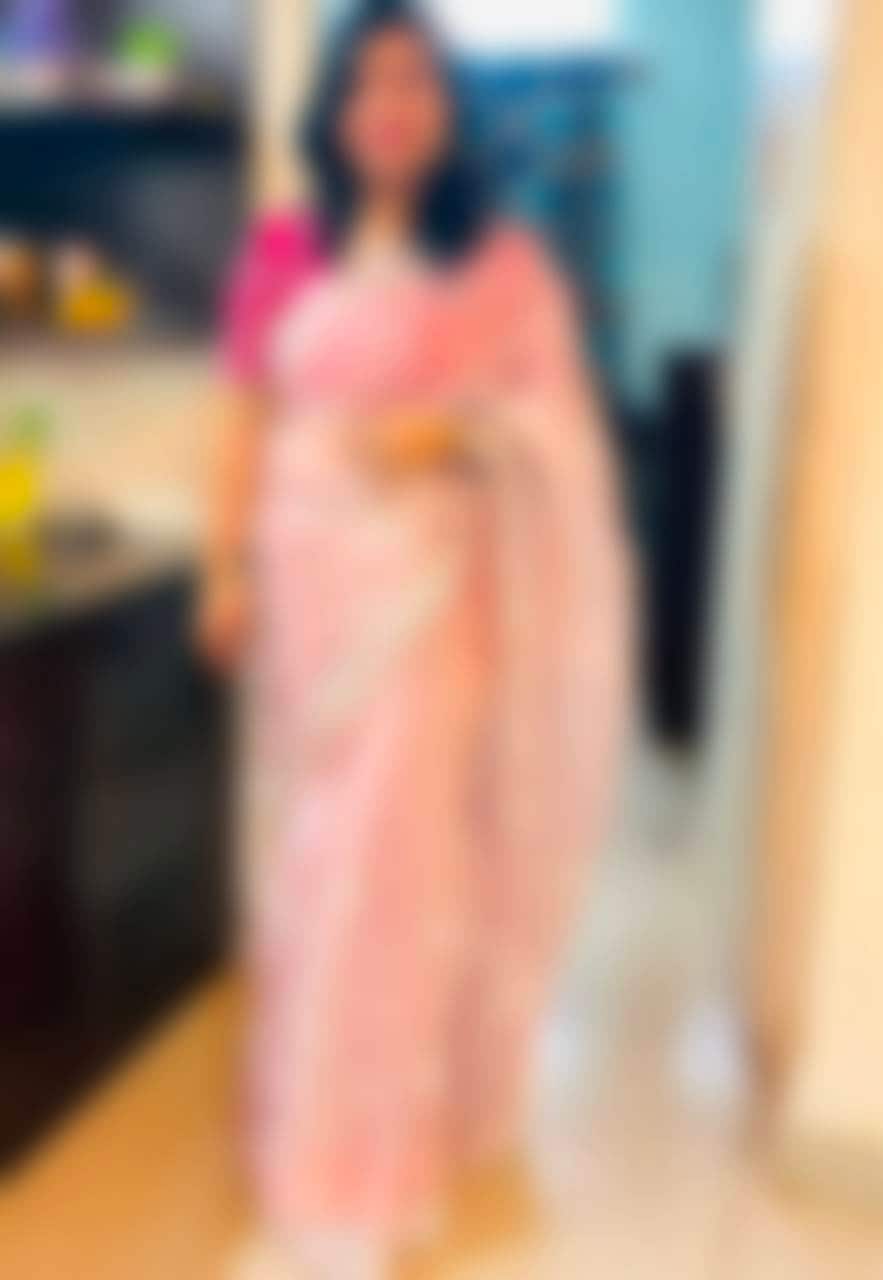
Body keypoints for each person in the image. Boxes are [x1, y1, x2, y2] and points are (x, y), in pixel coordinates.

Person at [197, 2, 631, 1275]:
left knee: (390, 864)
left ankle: (363, 1170)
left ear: (452, 107)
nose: (389, 105)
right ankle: (312, 1129)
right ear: (333, 109)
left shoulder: (501, 266)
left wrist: (459, 428)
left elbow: (556, 432)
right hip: (308, 597)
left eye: (416, 81)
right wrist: (222, 566)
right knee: (310, 861)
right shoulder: (283, 246)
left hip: (434, 602)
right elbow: (245, 413)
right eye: (366, 81)